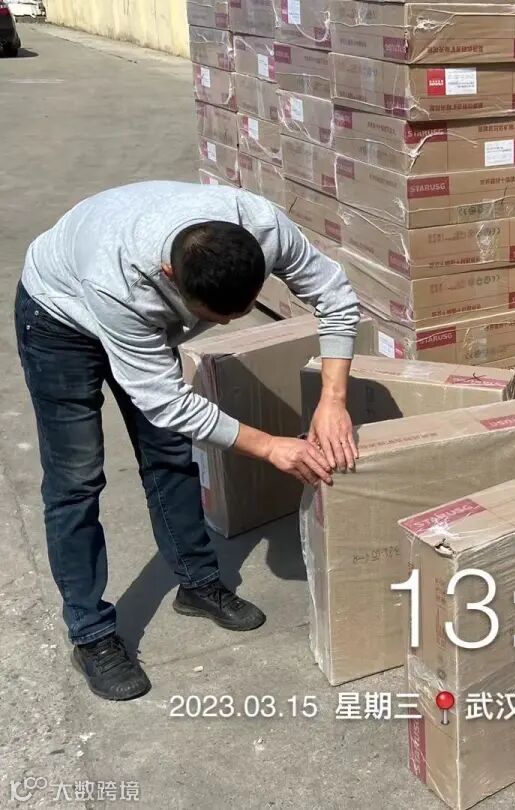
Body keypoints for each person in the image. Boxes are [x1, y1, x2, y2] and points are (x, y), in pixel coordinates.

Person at [16, 181, 361, 702]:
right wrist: (270, 446)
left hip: (132, 303)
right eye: (215, 318)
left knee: (171, 454)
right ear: (170, 275)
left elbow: (334, 296)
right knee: (76, 479)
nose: (225, 325)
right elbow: (166, 402)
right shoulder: (120, 284)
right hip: (60, 319)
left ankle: (198, 584)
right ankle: (90, 632)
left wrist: (332, 400)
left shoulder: (264, 227)